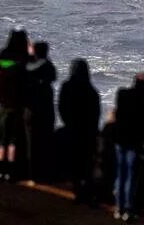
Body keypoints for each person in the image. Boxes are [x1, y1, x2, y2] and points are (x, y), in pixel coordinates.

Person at [58, 59, 101, 202]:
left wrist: (68, 123)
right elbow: (96, 114)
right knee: (87, 163)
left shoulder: (66, 87)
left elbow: (61, 107)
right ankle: (87, 190)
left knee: (75, 162)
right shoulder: (92, 91)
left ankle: (77, 191)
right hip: (87, 132)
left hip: (72, 131)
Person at [0, 30, 30, 179]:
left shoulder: (5, 54)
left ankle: (2, 168)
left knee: (4, 138)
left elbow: (0, 64)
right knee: (13, 139)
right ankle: (11, 169)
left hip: (6, 102)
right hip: (17, 103)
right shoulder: (24, 57)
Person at [112, 75, 144, 220]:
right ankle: (128, 209)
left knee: (120, 175)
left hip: (120, 140)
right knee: (130, 177)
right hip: (133, 143)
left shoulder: (122, 93)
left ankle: (118, 207)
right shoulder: (143, 100)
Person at [24, 41, 57, 181]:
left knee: (32, 144)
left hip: (31, 111)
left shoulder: (27, 68)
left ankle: (32, 173)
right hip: (46, 111)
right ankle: (46, 173)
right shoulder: (48, 67)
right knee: (46, 142)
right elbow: (53, 75)